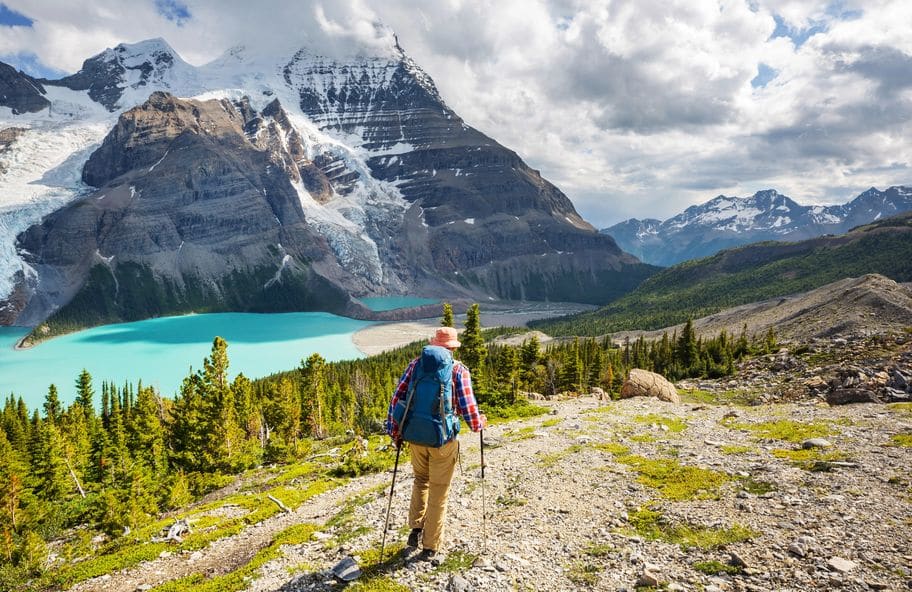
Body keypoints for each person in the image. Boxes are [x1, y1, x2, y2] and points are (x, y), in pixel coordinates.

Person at [386, 326, 487, 562]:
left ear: (433, 344)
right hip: (443, 440)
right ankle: (430, 546)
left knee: (420, 481)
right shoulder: (458, 370)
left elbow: (396, 398)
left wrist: (395, 433)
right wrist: (479, 423)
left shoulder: (415, 365)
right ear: (452, 348)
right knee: (439, 490)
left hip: (415, 436)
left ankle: (415, 529)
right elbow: (470, 410)